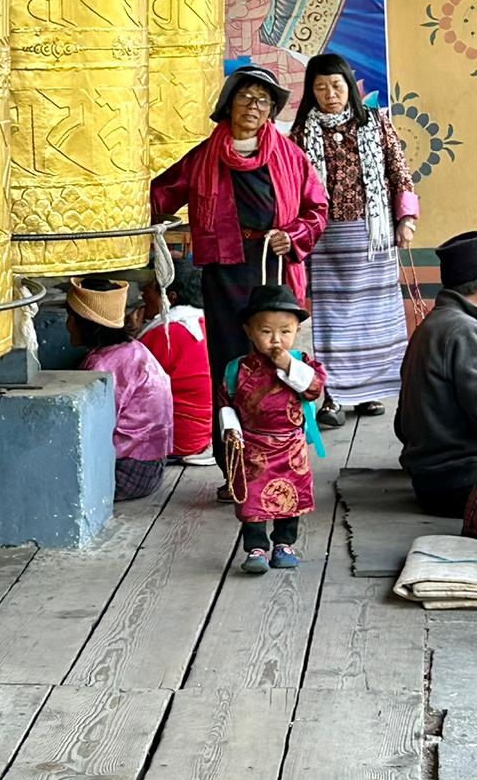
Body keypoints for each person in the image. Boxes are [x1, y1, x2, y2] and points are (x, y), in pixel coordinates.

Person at [150, 64, 328, 473]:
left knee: (274, 355)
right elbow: (160, 195)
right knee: (230, 364)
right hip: (226, 272)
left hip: (273, 268)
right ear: (228, 105)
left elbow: (317, 209)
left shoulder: (290, 157)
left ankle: (282, 462)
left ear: (271, 112)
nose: (253, 106)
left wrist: (294, 233)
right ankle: (235, 470)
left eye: (263, 101)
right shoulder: (203, 158)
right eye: (245, 97)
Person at [291, 52, 419, 427]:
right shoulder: (301, 135)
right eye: (320, 87)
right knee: (333, 323)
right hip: (326, 242)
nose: (330, 94)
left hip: (373, 238)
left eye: (336, 85)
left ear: (349, 85)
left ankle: (369, 394)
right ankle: (333, 397)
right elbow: (292, 188)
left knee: (377, 320)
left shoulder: (377, 124)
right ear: (311, 93)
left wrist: (406, 220)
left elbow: (400, 173)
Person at [220, 283, 326, 575]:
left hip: (291, 447)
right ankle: (255, 548)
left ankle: (284, 544)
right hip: (252, 446)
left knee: (290, 499)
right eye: (266, 332)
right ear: (249, 331)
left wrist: (287, 366)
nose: (276, 340)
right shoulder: (237, 369)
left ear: (297, 332)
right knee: (251, 498)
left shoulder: (302, 363)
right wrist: (231, 431)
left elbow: (314, 389)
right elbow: (226, 403)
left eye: (285, 331)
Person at [66, 276, 173, 501]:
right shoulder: (135, 349)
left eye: (71, 318)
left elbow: (91, 430)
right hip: (152, 468)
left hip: (126, 474)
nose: (67, 325)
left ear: (84, 323)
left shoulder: (102, 366)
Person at [396, 231, 477, 518]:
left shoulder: (434, 324)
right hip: (458, 483)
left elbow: (400, 426)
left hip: (431, 479)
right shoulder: (465, 331)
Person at [139, 256, 214, 465]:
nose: (143, 291)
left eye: (151, 287)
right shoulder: (207, 322)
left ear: (170, 297)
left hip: (177, 442)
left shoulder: (165, 333)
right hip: (204, 435)